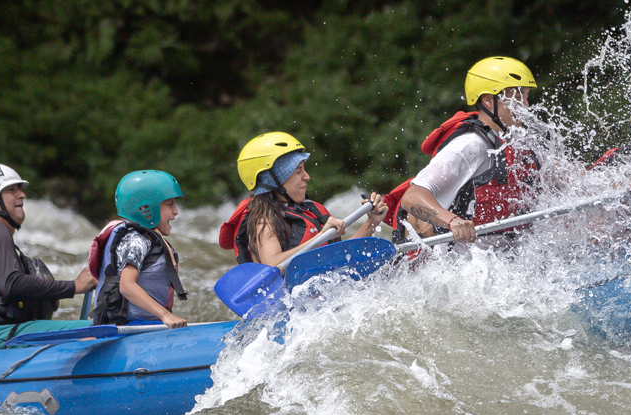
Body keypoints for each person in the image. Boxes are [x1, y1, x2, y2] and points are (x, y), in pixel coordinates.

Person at [0, 163, 98, 350]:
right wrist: (75, 286)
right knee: (99, 330)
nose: (21, 195)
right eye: (11, 190)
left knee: (98, 327)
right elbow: (12, 284)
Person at [384, 56, 539, 243]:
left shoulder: (521, 144)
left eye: (526, 96)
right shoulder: (470, 145)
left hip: (509, 256)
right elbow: (412, 197)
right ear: (489, 100)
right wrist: (453, 221)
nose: (526, 105)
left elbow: (567, 178)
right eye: (517, 96)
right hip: (459, 262)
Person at [218, 131, 382, 268]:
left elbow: (341, 258)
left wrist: (372, 222)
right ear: (274, 179)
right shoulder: (263, 220)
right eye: (298, 171)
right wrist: (320, 236)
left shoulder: (310, 210)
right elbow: (273, 265)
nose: (307, 177)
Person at [88, 170, 190, 329]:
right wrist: (165, 315)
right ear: (145, 209)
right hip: (128, 326)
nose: (175, 211)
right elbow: (126, 285)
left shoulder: (144, 237)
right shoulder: (136, 240)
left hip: (143, 323)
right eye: (169, 205)